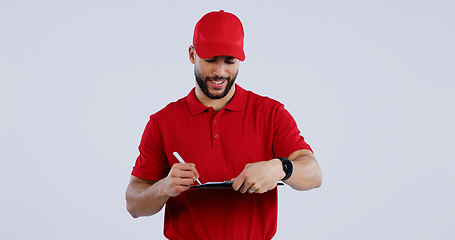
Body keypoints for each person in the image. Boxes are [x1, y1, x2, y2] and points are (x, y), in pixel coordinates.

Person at [125, 10, 322, 240]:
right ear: (192, 54)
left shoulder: (271, 113)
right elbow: (133, 203)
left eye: (229, 61)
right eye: (210, 60)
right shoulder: (162, 122)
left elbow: (314, 174)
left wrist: (281, 167)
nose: (219, 72)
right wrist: (163, 187)